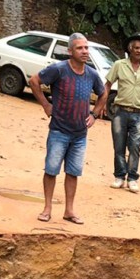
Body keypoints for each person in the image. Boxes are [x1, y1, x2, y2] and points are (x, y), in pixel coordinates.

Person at [29, 32, 107, 224]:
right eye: (80, 48)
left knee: (73, 172)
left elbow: (104, 93)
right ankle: (47, 208)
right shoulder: (59, 69)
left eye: (86, 48)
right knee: (51, 170)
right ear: (70, 51)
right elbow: (34, 81)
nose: (84, 51)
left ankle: (69, 210)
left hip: (80, 134)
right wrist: (46, 105)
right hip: (58, 130)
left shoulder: (92, 74)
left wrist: (94, 114)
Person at [100, 33, 140, 194]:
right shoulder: (119, 65)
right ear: (130, 49)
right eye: (136, 48)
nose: (139, 51)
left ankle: (132, 178)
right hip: (120, 112)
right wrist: (104, 103)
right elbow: (107, 84)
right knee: (119, 146)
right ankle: (119, 176)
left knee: (135, 147)